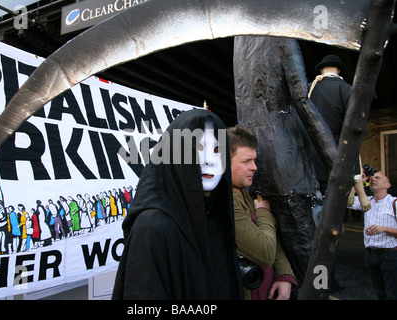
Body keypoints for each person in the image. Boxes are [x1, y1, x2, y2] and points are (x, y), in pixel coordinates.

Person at [112, 109, 244, 300]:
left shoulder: (218, 216)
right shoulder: (152, 227)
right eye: (197, 148)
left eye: (217, 150)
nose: (208, 160)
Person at [227, 126, 297, 300]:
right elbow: (266, 252)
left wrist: (284, 274)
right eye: (246, 161)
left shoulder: (244, 192)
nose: (254, 167)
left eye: (254, 160)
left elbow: (270, 238)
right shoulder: (226, 201)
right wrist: (264, 212)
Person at [349, 171, 397, 300]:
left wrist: (384, 229)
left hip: (391, 257)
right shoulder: (366, 201)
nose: (373, 179)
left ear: (387, 185)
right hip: (371, 256)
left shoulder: (394, 203)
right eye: (371, 178)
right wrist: (359, 182)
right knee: (380, 294)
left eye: (378, 178)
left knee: (393, 295)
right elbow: (347, 199)